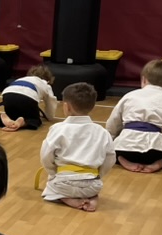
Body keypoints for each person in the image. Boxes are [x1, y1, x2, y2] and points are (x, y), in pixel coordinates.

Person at [39, 83, 116, 212]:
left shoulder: (58, 129)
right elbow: (110, 158)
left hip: (64, 183)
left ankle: (67, 199)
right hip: (92, 184)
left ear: (66, 106)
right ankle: (92, 198)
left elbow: (46, 155)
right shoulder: (102, 132)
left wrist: (53, 173)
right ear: (93, 106)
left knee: (50, 188)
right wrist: (99, 174)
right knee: (91, 189)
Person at [106, 59, 162, 173]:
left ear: (144, 79)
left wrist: (112, 140)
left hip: (126, 148)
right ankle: (159, 162)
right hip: (154, 151)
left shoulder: (130, 96)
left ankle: (122, 159)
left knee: (116, 151)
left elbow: (113, 122)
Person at [0, 65, 59, 131]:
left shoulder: (21, 78)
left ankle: (7, 118)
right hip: (27, 97)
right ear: (48, 79)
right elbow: (51, 103)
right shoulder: (45, 84)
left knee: (13, 114)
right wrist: (49, 117)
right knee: (35, 120)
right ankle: (22, 123)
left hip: (8, 96)